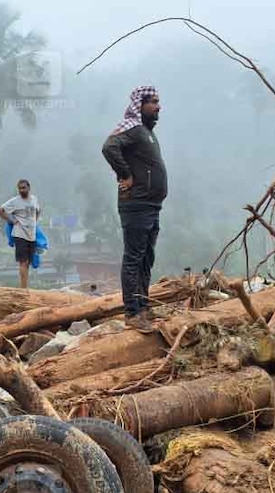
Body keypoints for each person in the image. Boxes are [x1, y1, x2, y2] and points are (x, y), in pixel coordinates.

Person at [101, 85, 167, 332]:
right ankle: (132, 311)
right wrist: (125, 174)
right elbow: (109, 147)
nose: (158, 106)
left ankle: (143, 305)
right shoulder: (133, 129)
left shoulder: (147, 133)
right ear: (139, 105)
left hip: (152, 205)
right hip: (136, 205)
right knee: (134, 257)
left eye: (158, 101)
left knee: (146, 258)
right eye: (153, 102)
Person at [0, 179, 40, 289]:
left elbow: (38, 210)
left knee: (28, 262)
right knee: (23, 262)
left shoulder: (34, 199)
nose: (21, 190)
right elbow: (0, 211)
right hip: (20, 234)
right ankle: (23, 289)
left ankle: (25, 285)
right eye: (19, 188)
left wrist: (35, 221)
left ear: (29, 188)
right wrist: (12, 220)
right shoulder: (15, 201)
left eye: (23, 187)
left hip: (31, 235)